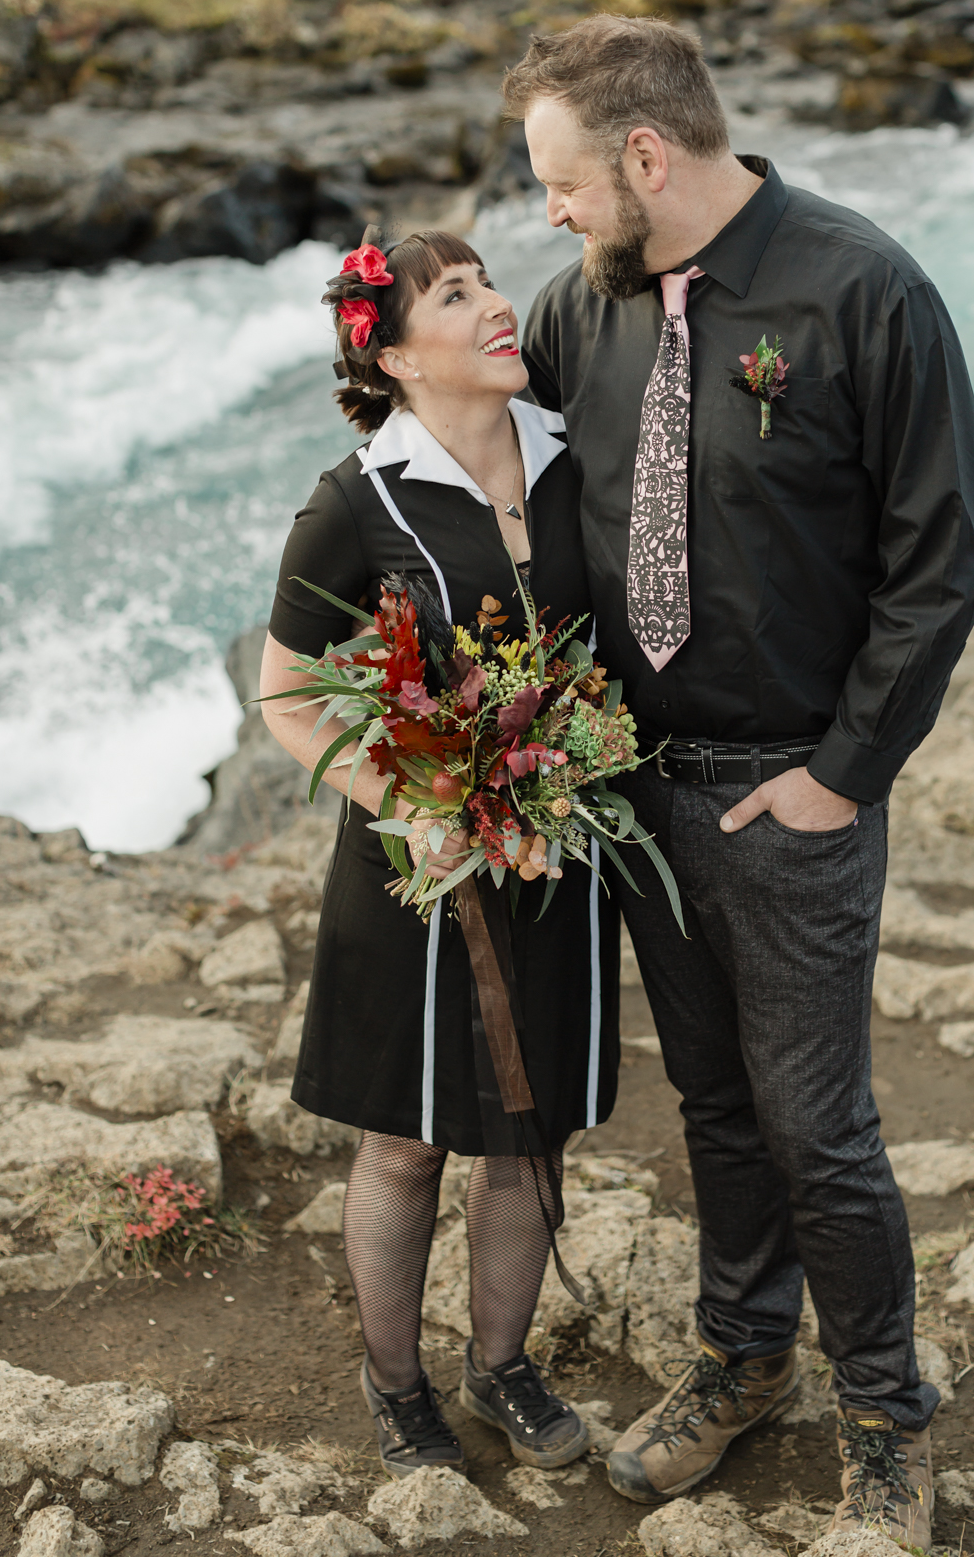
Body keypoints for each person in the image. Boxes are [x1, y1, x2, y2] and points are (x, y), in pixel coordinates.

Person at [502, 16, 974, 1551]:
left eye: (566, 181)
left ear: (648, 156)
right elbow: (518, 500)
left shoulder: (863, 289)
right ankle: (742, 1360)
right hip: (642, 798)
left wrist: (843, 778)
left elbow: (945, 558)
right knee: (712, 1103)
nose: (554, 212)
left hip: (792, 800)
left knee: (816, 1124)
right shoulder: (580, 312)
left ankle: (886, 1422)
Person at [260, 227, 620, 1478]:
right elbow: (286, 698)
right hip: (417, 875)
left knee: (527, 1135)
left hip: (560, 858)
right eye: (457, 296)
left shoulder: (578, 454)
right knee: (406, 1140)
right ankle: (399, 1386)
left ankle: (504, 1366)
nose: (497, 307)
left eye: (489, 284)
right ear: (400, 356)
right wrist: (401, 799)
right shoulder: (354, 500)